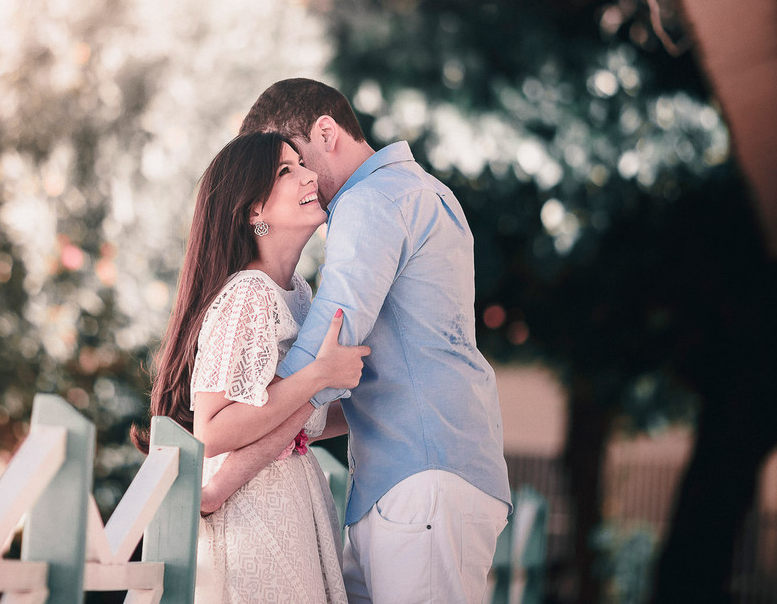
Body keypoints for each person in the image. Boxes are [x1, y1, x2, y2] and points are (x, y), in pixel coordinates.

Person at [202, 79, 512, 604]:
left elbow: (327, 350)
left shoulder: (371, 201)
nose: (300, 178)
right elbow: (355, 375)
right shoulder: (421, 190)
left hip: (419, 478)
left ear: (326, 133)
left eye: (293, 161)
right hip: (417, 475)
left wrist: (226, 471)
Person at [133, 131, 370, 604]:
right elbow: (212, 431)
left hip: (293, 505)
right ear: (254, 212)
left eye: (301, 163)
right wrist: (320, 375)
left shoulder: (299, 294)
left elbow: (293, 416)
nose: (309, 175)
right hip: (252, 519)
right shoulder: (248, 294)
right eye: (286, 170)